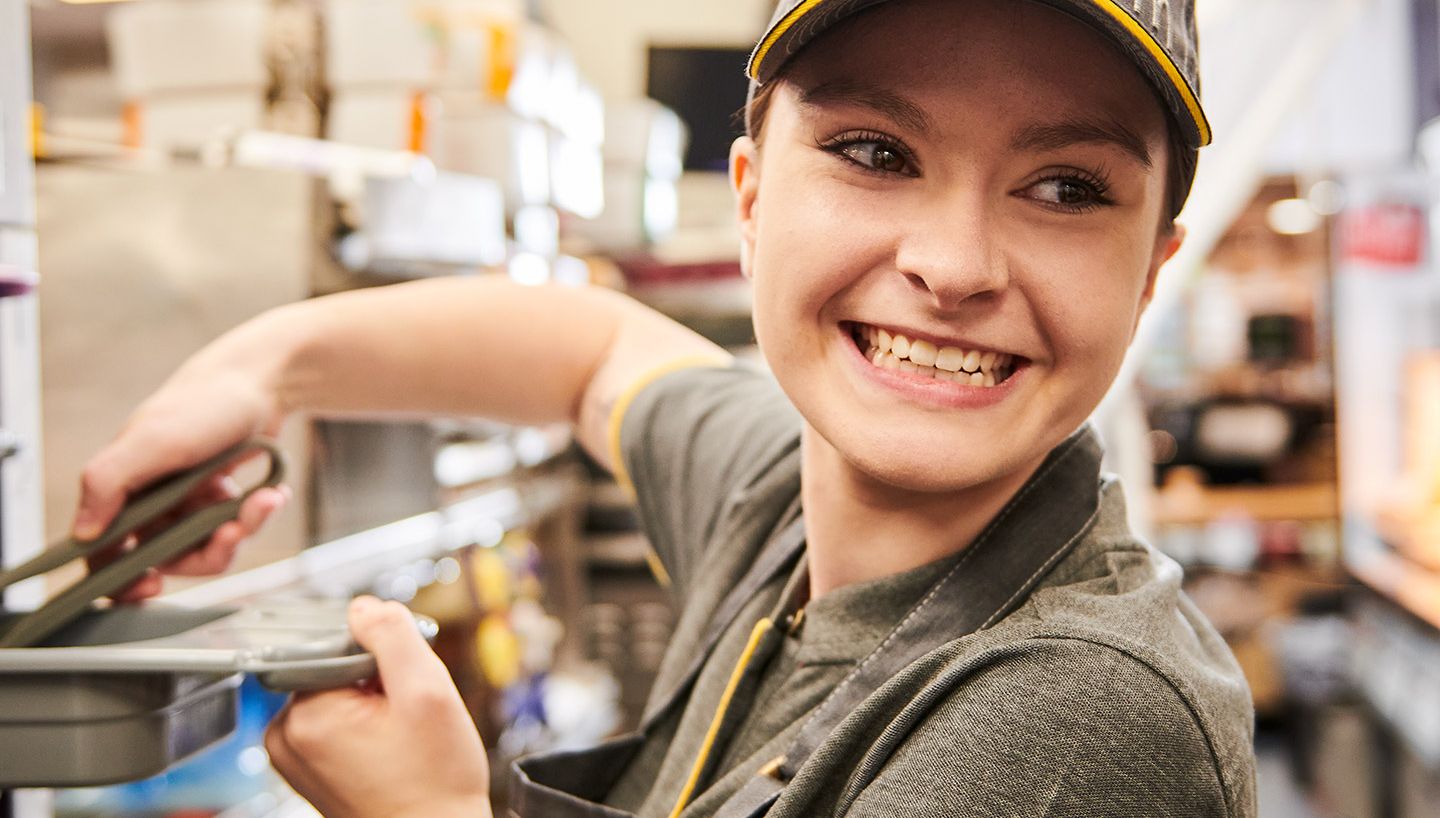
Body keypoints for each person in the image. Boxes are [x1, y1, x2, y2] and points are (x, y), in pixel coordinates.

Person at [70, 0, 1257, 815]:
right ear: (750, 200)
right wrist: (265, 364)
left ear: (1151, 265)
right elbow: (592, 354)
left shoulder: (1082, 715)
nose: (954, 265)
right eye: (876, 151)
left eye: (1066, 185)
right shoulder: (778, 509)